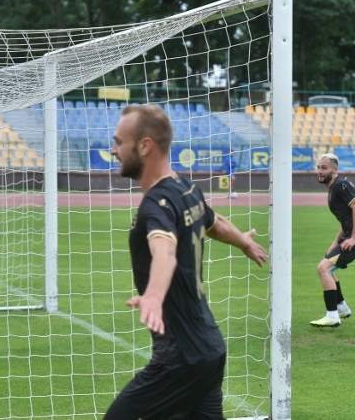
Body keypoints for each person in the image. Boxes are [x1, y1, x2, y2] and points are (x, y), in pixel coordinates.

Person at [106, 104, 268, 419]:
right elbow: (213, 221)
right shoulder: (186, 187)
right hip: (209, 350)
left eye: (118, 142)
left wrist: (153, 295)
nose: (113, 150)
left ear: (144, 146)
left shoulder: (156, 204)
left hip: (180, 359)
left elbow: (164, 251)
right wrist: (243, 241)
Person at [310, 153, 355, 328]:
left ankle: (332, 316)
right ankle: (341, 307)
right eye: (318, 168)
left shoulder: (341, 185)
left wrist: (353, 238)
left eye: (324, 168)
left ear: (334, 169)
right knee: (327, 268)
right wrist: (336, 241)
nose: (320, 172)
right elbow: (346, 219)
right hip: (349, 237)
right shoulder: (334, 187)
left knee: (323, 268)